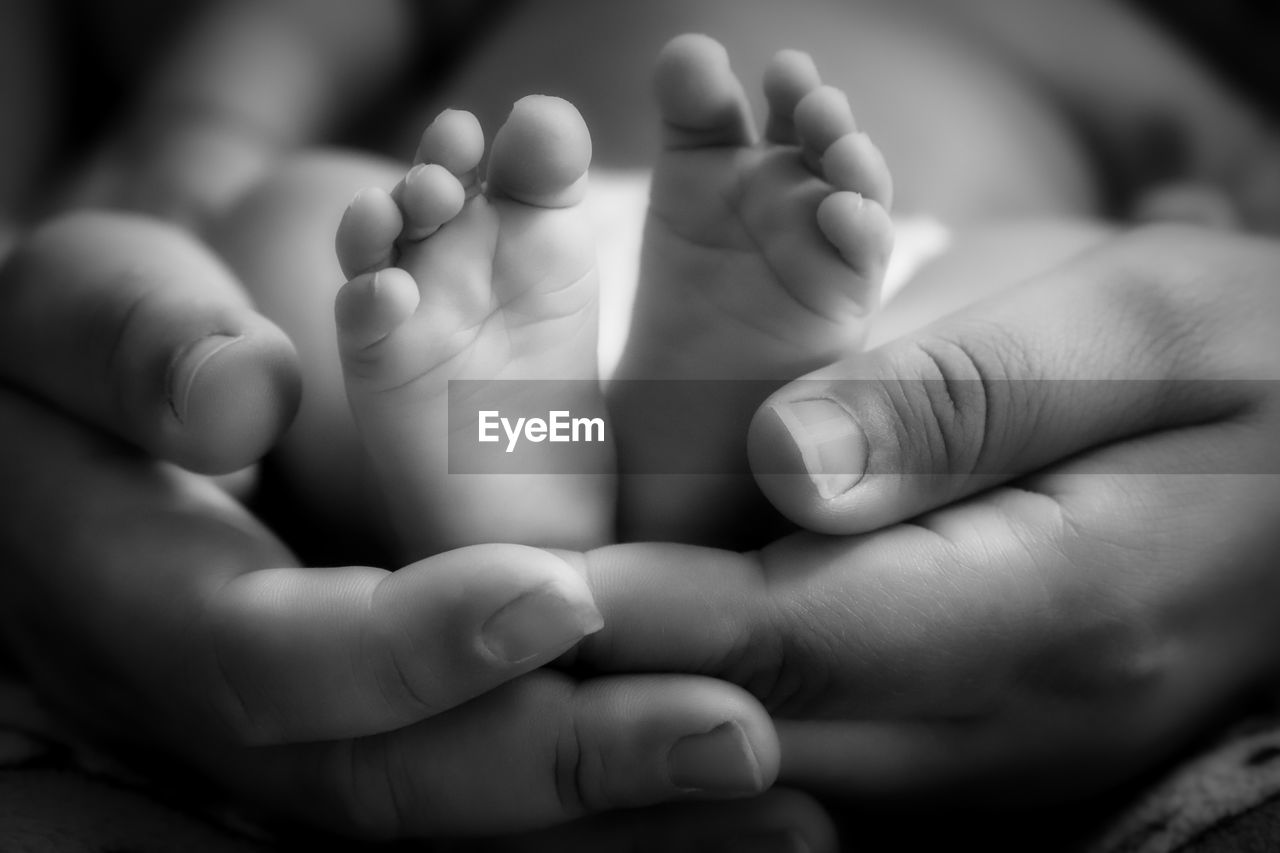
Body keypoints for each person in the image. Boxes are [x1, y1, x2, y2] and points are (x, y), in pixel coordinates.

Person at [3, 0, 1280, 848]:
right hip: (533, 284)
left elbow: (1226, 219)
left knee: (1056, 288)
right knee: (291, 215)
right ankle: (611, 474)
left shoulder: (1090, 27)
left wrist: (1207, 230)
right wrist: (202, 144)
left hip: (902, 308)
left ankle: (578, 474)